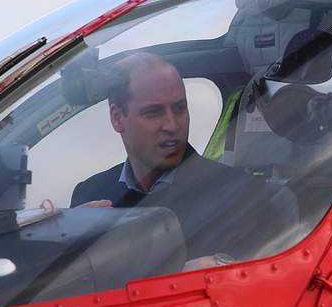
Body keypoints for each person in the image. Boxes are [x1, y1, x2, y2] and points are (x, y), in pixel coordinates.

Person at [71, 51, 285, 263]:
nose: (172, 126)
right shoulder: (89, 195)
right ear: (117, 118)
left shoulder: (242, 196)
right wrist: (62, 235)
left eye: (180, 108)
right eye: (154, 112)